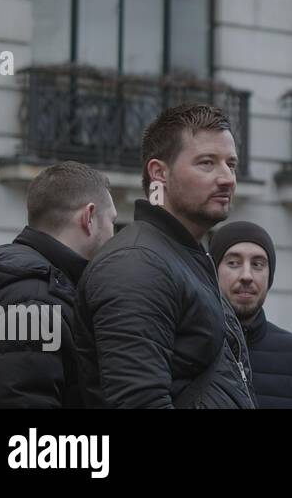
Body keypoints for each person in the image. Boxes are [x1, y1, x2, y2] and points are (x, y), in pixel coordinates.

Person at [74, 103, 256, 408]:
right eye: (207, 163)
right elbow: (139, 401)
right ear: (159, 173)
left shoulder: (183, 258)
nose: (227, 179)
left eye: (232, 164)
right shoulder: (136, 264)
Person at [0, 162, 117, 408]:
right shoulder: (35, 298)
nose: (113, 235)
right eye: (112, 222)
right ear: (89, 217)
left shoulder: (11, 273)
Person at [211, 221, 292, 409]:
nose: (246, 275)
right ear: (213, 272)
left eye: (257, 264)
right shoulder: (186, 348)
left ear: (269, 276)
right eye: (233, 263)